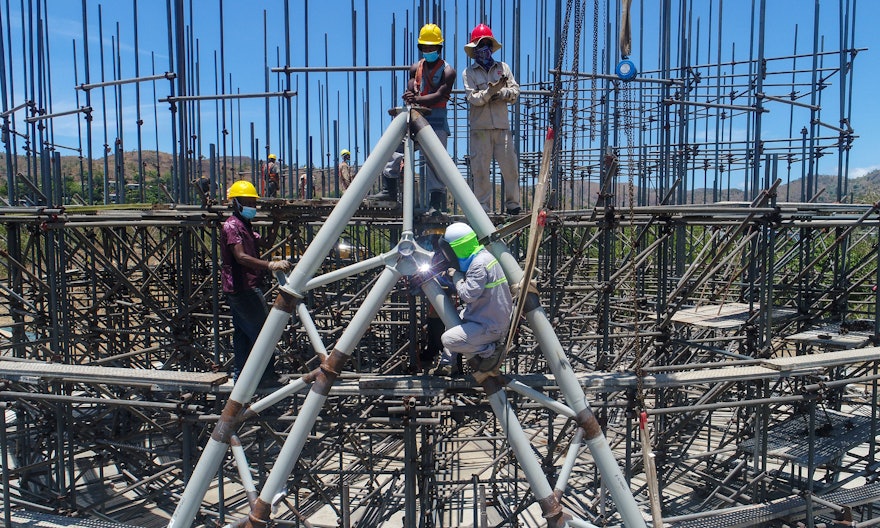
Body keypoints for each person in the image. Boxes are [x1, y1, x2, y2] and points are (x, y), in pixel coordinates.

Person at [221, 180, 293, 385]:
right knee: (264, 333)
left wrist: (276, 221)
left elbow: (266, 242)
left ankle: (241, 376)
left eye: (253, 202)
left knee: (243, 333)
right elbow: (241, 257)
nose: (252, 206)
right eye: (247, 201)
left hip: (243, 286)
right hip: (243, 288)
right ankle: (266, 375)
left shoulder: (244, 225)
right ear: (235, 202)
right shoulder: (232, 226)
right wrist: (270, 265)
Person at [432, 222, 513, 376]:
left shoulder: (478, 265)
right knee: (453, 319)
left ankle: (491, 350)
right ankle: (447, 364)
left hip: (490, 326)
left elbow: (468, 295)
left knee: (448, 339)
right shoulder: (484, 257)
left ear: (457, 248)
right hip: (489, 317)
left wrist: (456, 277)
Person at [462, 24, 522, 215]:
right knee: (480, 170)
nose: (484, 48)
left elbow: (515, 91)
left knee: (510, 168)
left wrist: (502, 92)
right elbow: (473, 98)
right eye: (480, 45)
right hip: (480, 129)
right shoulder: (469, 73)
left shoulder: (503, 68)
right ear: (474, 49)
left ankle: (513, 204)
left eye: (487, 44)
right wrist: (489, 92)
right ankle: (483, 208)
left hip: (502, 127)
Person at [399, 23, 455, 216]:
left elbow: (440, 94)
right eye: (425, 47)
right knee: (397, 148)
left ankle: (436, 202)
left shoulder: (448, 71)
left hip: (436, 121)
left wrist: (417, 99)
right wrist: (410, 95)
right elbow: (410, 87)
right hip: (416, 117)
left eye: (432, 47)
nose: (428, 50)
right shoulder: (416, 68)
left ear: (439, 48)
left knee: (435, 161)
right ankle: (390, 188)